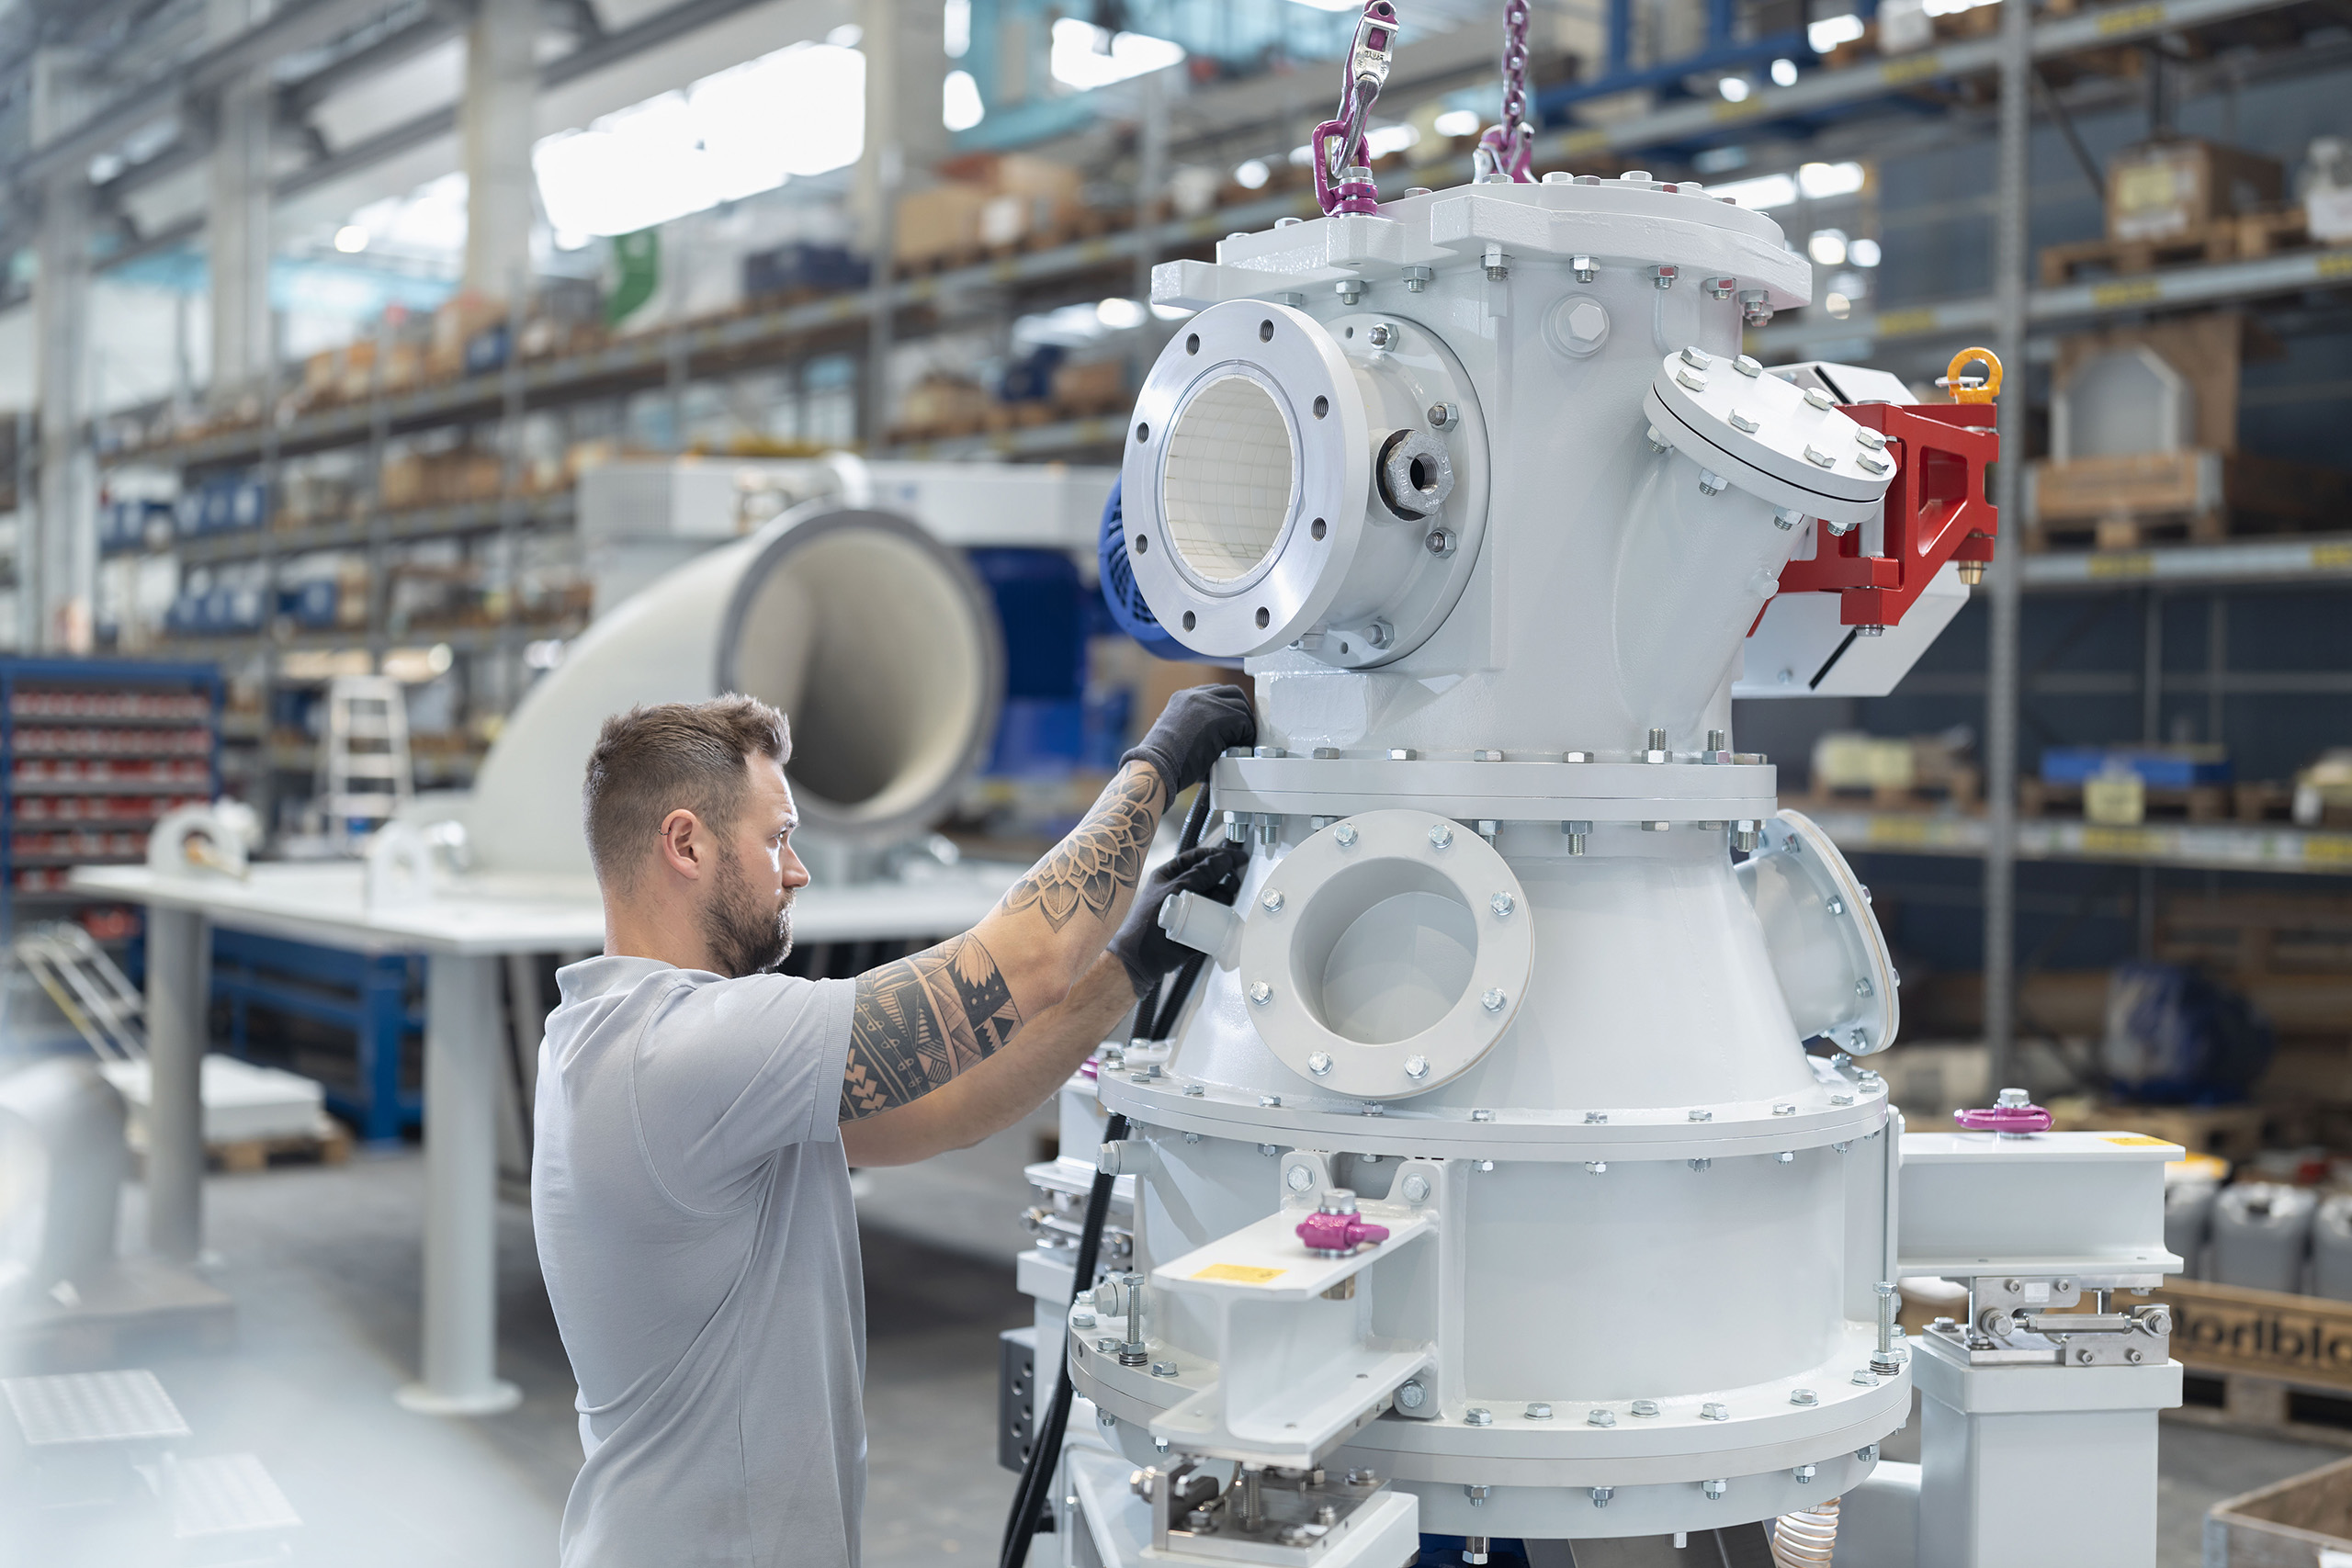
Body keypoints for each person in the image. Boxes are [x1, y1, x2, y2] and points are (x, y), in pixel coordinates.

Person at [531, 684, 1256, 1568]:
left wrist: (1126, 967)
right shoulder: (679, 1049)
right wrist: (1158, 764)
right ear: (686, 843)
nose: (795, 871)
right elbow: (1024, 960)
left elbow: (949, 1108)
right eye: (777, 837)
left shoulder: (614, 1039)